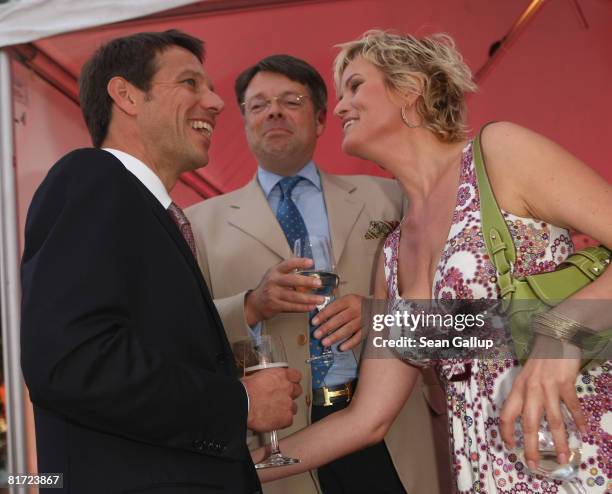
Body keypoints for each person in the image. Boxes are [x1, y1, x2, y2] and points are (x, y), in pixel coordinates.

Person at [252, 30, 612, 493]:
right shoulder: (391, 255)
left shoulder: (499, 153)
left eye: (356, 86)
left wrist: (562, 329)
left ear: (411, 89)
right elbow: (365, 420)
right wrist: (243, 467)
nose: (340, 107)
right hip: (493, 475)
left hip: (587, 451)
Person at [20, 30, 303, 494]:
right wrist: (239, 403)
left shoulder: (153, 213)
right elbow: (72, 361)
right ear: (126, 95)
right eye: (190, 83)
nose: (214, 102)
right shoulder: (91, 178)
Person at [187, 54, 449, 493]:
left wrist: (377, 314)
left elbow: (455, 309)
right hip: (279, 437)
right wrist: (250, 306)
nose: (274, 111)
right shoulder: (196, 223)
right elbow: (179, 330)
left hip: (394, 422)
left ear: (322, 119)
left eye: (291, 100)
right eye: (258, 104)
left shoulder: (394, 196)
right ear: (245, 121)